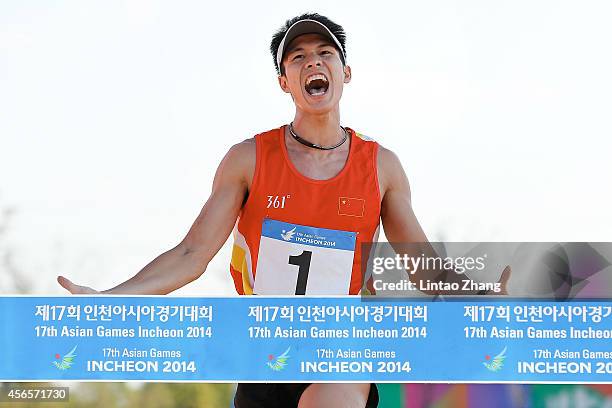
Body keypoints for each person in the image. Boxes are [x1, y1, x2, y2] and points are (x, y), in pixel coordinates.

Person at [58, 13, 510, 408]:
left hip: (341, 347)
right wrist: (111, 299)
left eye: (324, 52)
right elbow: (191, 255)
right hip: (264, 348)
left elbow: (425, 270)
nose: (312, 61)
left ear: (345, 72)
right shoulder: (248, 159)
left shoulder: (381, 166)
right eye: (297, 57)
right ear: (284, 82)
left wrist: (481, 294)